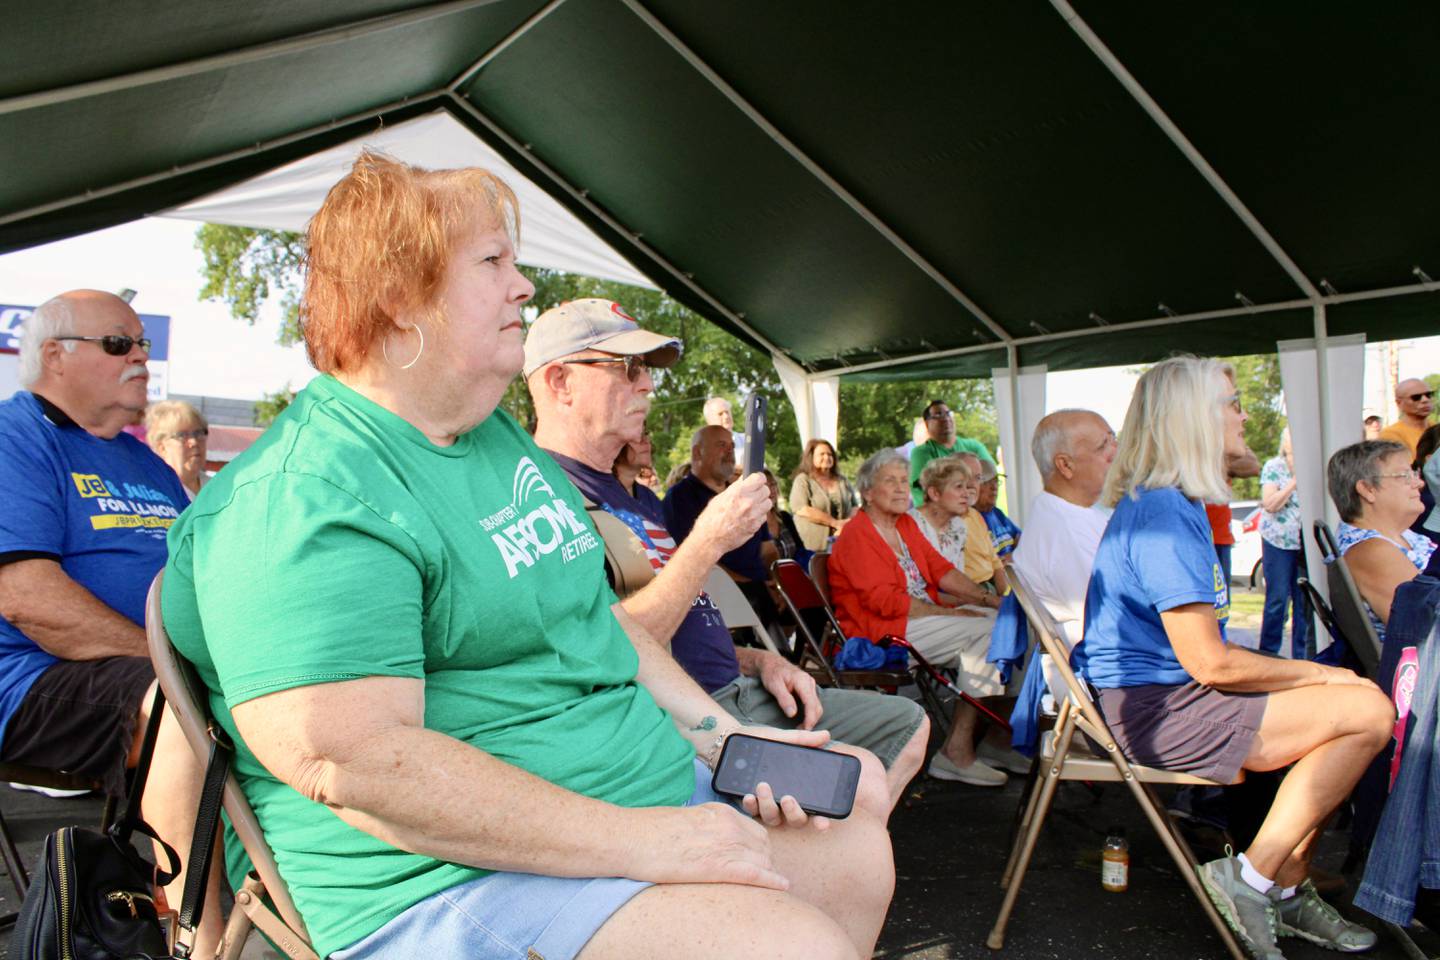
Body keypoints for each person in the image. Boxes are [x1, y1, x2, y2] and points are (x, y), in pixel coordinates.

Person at [162, 155, 894, 960]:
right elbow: (363, 765)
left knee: (853, 838)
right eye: (492, 262)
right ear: (401, 296)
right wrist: (645, 843)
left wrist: (722, 739)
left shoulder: (494, 440)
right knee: (788, 949)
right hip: (442, 877)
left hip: (621, 800)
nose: (523, 288)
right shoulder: (303, 497)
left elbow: (598, 625)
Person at [525, 298, 925, 813]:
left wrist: (760, 659)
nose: (647, 385)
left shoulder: (628, 498)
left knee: (908, 726)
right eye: (628, 368)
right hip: (684, 718)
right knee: (857, 785)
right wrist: (709, 539)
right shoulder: (544, 496)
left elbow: (676, 625)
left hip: (738, 687)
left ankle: (810, 860)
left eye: (646, 369)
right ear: (560, 382)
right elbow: (611, 651)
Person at [1082, 355, 1390, 959]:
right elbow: (1213, 664)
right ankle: (1249, 880)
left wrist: (1326, 682)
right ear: (1194, 419)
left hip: (1171, 696)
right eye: (1231, 403)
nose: (1244, 416)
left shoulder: (1177, 501)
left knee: (1358, 708)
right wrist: (1321, 672)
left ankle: (1282, 885)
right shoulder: (1163, 515)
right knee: (1368, 712)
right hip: (1154, 711)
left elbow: (1210, 663)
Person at [0, 290, 222, 954]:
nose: (141, 360)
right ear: (55, 356)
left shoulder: (145, 463)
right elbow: (27, 599)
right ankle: (196, 943)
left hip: (133, 670)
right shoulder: (17, 438)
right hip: (31, 678)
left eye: (143, 344)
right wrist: (169, 663)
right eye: (119, 344)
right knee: (175, 710)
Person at [830, 450, 1022, 787]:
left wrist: (988, 599)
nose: (902, 488)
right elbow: (887, 603)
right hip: (884, 634)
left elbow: (940, 570)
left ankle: (992, 741)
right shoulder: (857, 535)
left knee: (1010, 623)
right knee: (991, 632)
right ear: (868, 492)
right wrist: (953, 611)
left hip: (917, 621)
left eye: (904, 481)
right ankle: (958, 751)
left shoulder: (903, 524)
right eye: (890, 481)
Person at [1010, 409, 1115, 654]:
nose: (1115, 453)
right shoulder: (1066, 531)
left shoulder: (1069, 513)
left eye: (1114, 439)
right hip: (1111, 671)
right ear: (1065, 465)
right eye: (1103, 446)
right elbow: (1112, 617)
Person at [666, 426, 782, 624]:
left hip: (761, 589)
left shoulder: (742, 493)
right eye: (721, 445)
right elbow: (691, 554)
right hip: (721, 596)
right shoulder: (680, 497)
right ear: (697, 452)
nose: (730, 451)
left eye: (732, 445)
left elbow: (767, 549)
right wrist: (743, 585)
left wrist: (777, 583)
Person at [1326, 440, 1434, 642]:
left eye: (1415, 474)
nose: (1419, 483)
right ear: (1367, 489)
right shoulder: (1370, 551)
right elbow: (1426, 627)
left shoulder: (1398, 538)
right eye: (1404, 476)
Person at [1259, 428, 1308, 657]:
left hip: (1303, 543)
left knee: (1303, 604)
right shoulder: (1273, 467)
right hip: (1277, 540)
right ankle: (1268, 653)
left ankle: (1303, 656)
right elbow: (1270, 504)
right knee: (1277, 599)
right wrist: (1294, 483)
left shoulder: (1311, 465)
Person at [909, 398, 994, 506]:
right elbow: (928, 489)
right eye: (938, 415)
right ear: (927, 423)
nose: (945, 418)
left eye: (948, 413)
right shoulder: (921, 453)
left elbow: (990, 478)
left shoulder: (974, 446)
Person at [908, 455, 973, 575]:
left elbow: (958, 577)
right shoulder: (910, 525)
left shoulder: (959, 526)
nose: (967, 494)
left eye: (967, 487)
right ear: (935, 493)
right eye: (959, 486)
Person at [789, 438, 856, 552]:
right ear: (811, 457)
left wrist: (847, 524)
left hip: (844, 543)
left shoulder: (842, 480)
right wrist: (834, 523)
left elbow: (855, 506)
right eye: (822, 454)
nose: (827, 457)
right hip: (814, 548)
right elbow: (801, 509)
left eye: (830, 454)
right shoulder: (803, 480)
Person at [956, 452, 1009, 594]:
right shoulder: (944, 522)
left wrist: (1005, 600)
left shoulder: (975, 516)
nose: (973, 484)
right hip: (972, 594)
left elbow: (996, 565)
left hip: (992, 589)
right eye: (967, 476)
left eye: (978, 478)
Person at [144, 399, 210, 500]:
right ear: (162, 447)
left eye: (198, 433)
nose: (194, 442)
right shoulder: (153, 492)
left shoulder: (220, 487)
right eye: (182, 435)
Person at [972, 458, 1021, 558]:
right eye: (986, 482)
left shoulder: (996, 513)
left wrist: (1013, 555)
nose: (994, 487)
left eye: (996, 481)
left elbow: (1020, 537)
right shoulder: (971, 521)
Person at [1378, 378, 1435, 459]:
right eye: (1416, 397)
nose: (1425, 400)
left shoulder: (1435, 428)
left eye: (1428, 395)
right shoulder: (1390, 434)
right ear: (1399, 403)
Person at [763, 469, 806, 564]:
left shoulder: (785, 517)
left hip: (792, 576)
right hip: (767, 578)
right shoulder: (751, 524)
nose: (771, 490)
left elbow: (801, 550)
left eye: (773, 484)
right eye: (765, 486)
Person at [613, 428, 654, 498]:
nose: (646, 441)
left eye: (646, 434)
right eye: (636, 435)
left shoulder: (649, 498)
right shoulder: (596, 495)